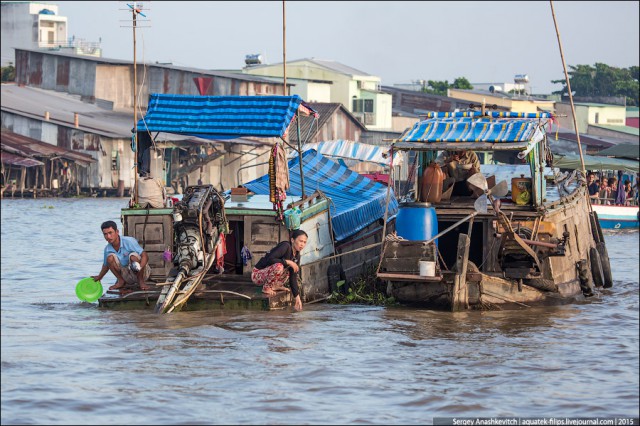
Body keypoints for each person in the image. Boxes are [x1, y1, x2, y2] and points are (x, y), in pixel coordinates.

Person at [251, 229, 308, 311]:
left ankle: (275, 285)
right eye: (300, 241)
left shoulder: (297, 256)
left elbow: (293, 277)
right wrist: (288, 262)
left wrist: (297, 298)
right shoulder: (285, 246)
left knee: (292, 269)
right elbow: (270, 259)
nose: (302, 244)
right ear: (292, 240)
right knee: (279, 266)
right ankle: (266, 288)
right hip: (257, 275)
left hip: (269, 276)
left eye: (304, 242)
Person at [92, 220, 152, 293]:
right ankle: (121, 281)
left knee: (133, 256)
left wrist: (140, 267)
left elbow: (145, 256)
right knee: (110, 258)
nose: (108, 236)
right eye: (105, 234)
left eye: (110, 233)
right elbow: (105, 266)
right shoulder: (107, 249)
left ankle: (141, 281)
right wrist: (99, 277)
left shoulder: (129, 241)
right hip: (126, 276)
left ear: (117, 232)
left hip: (142, 273)